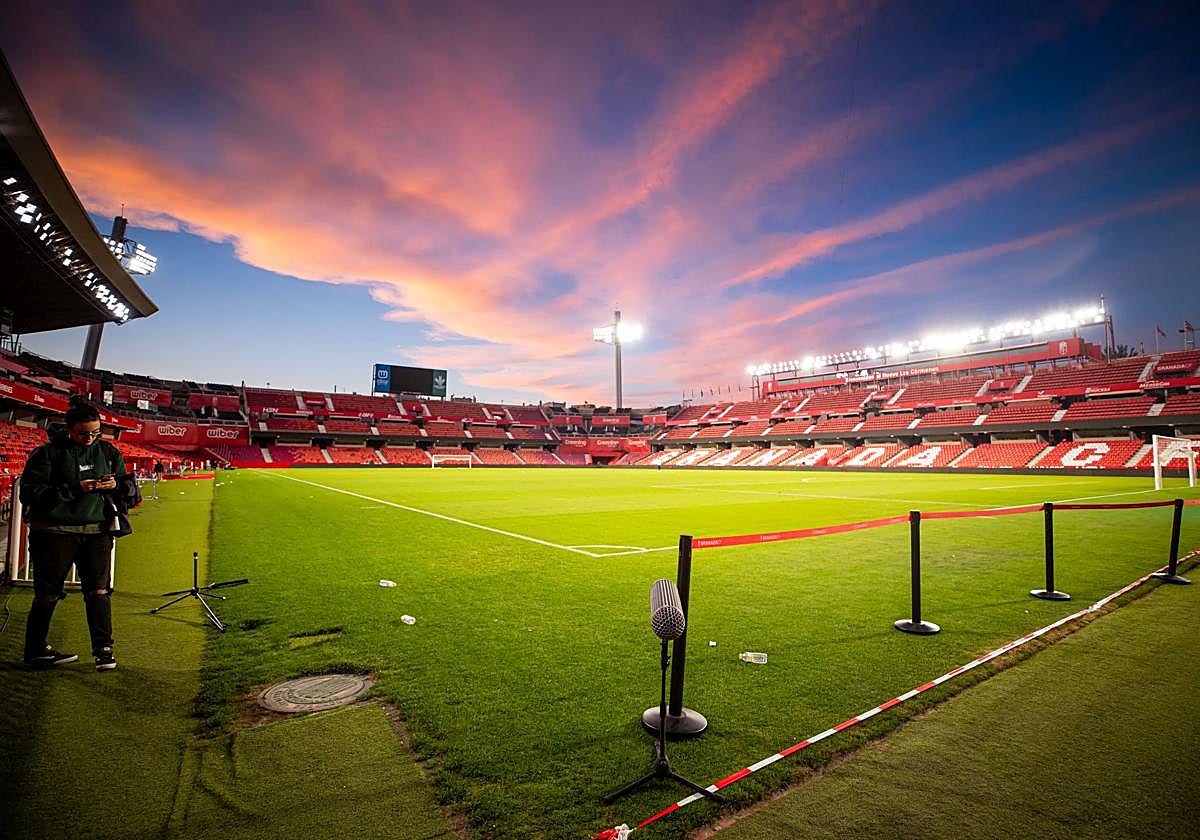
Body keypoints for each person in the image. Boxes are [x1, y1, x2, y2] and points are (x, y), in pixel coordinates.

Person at [20, 397, 126, 671]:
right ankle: (35, 651)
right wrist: (76, 488)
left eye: (95, 432)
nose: (90, 438)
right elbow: (30, 494)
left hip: (97, 532)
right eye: (83, 433)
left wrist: (116, 485)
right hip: (54, 532)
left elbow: (128, 490)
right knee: (47, 594)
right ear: (69, 429)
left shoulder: (109, 452)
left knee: (99, 591)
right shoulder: (46, 453)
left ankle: (104, 650)